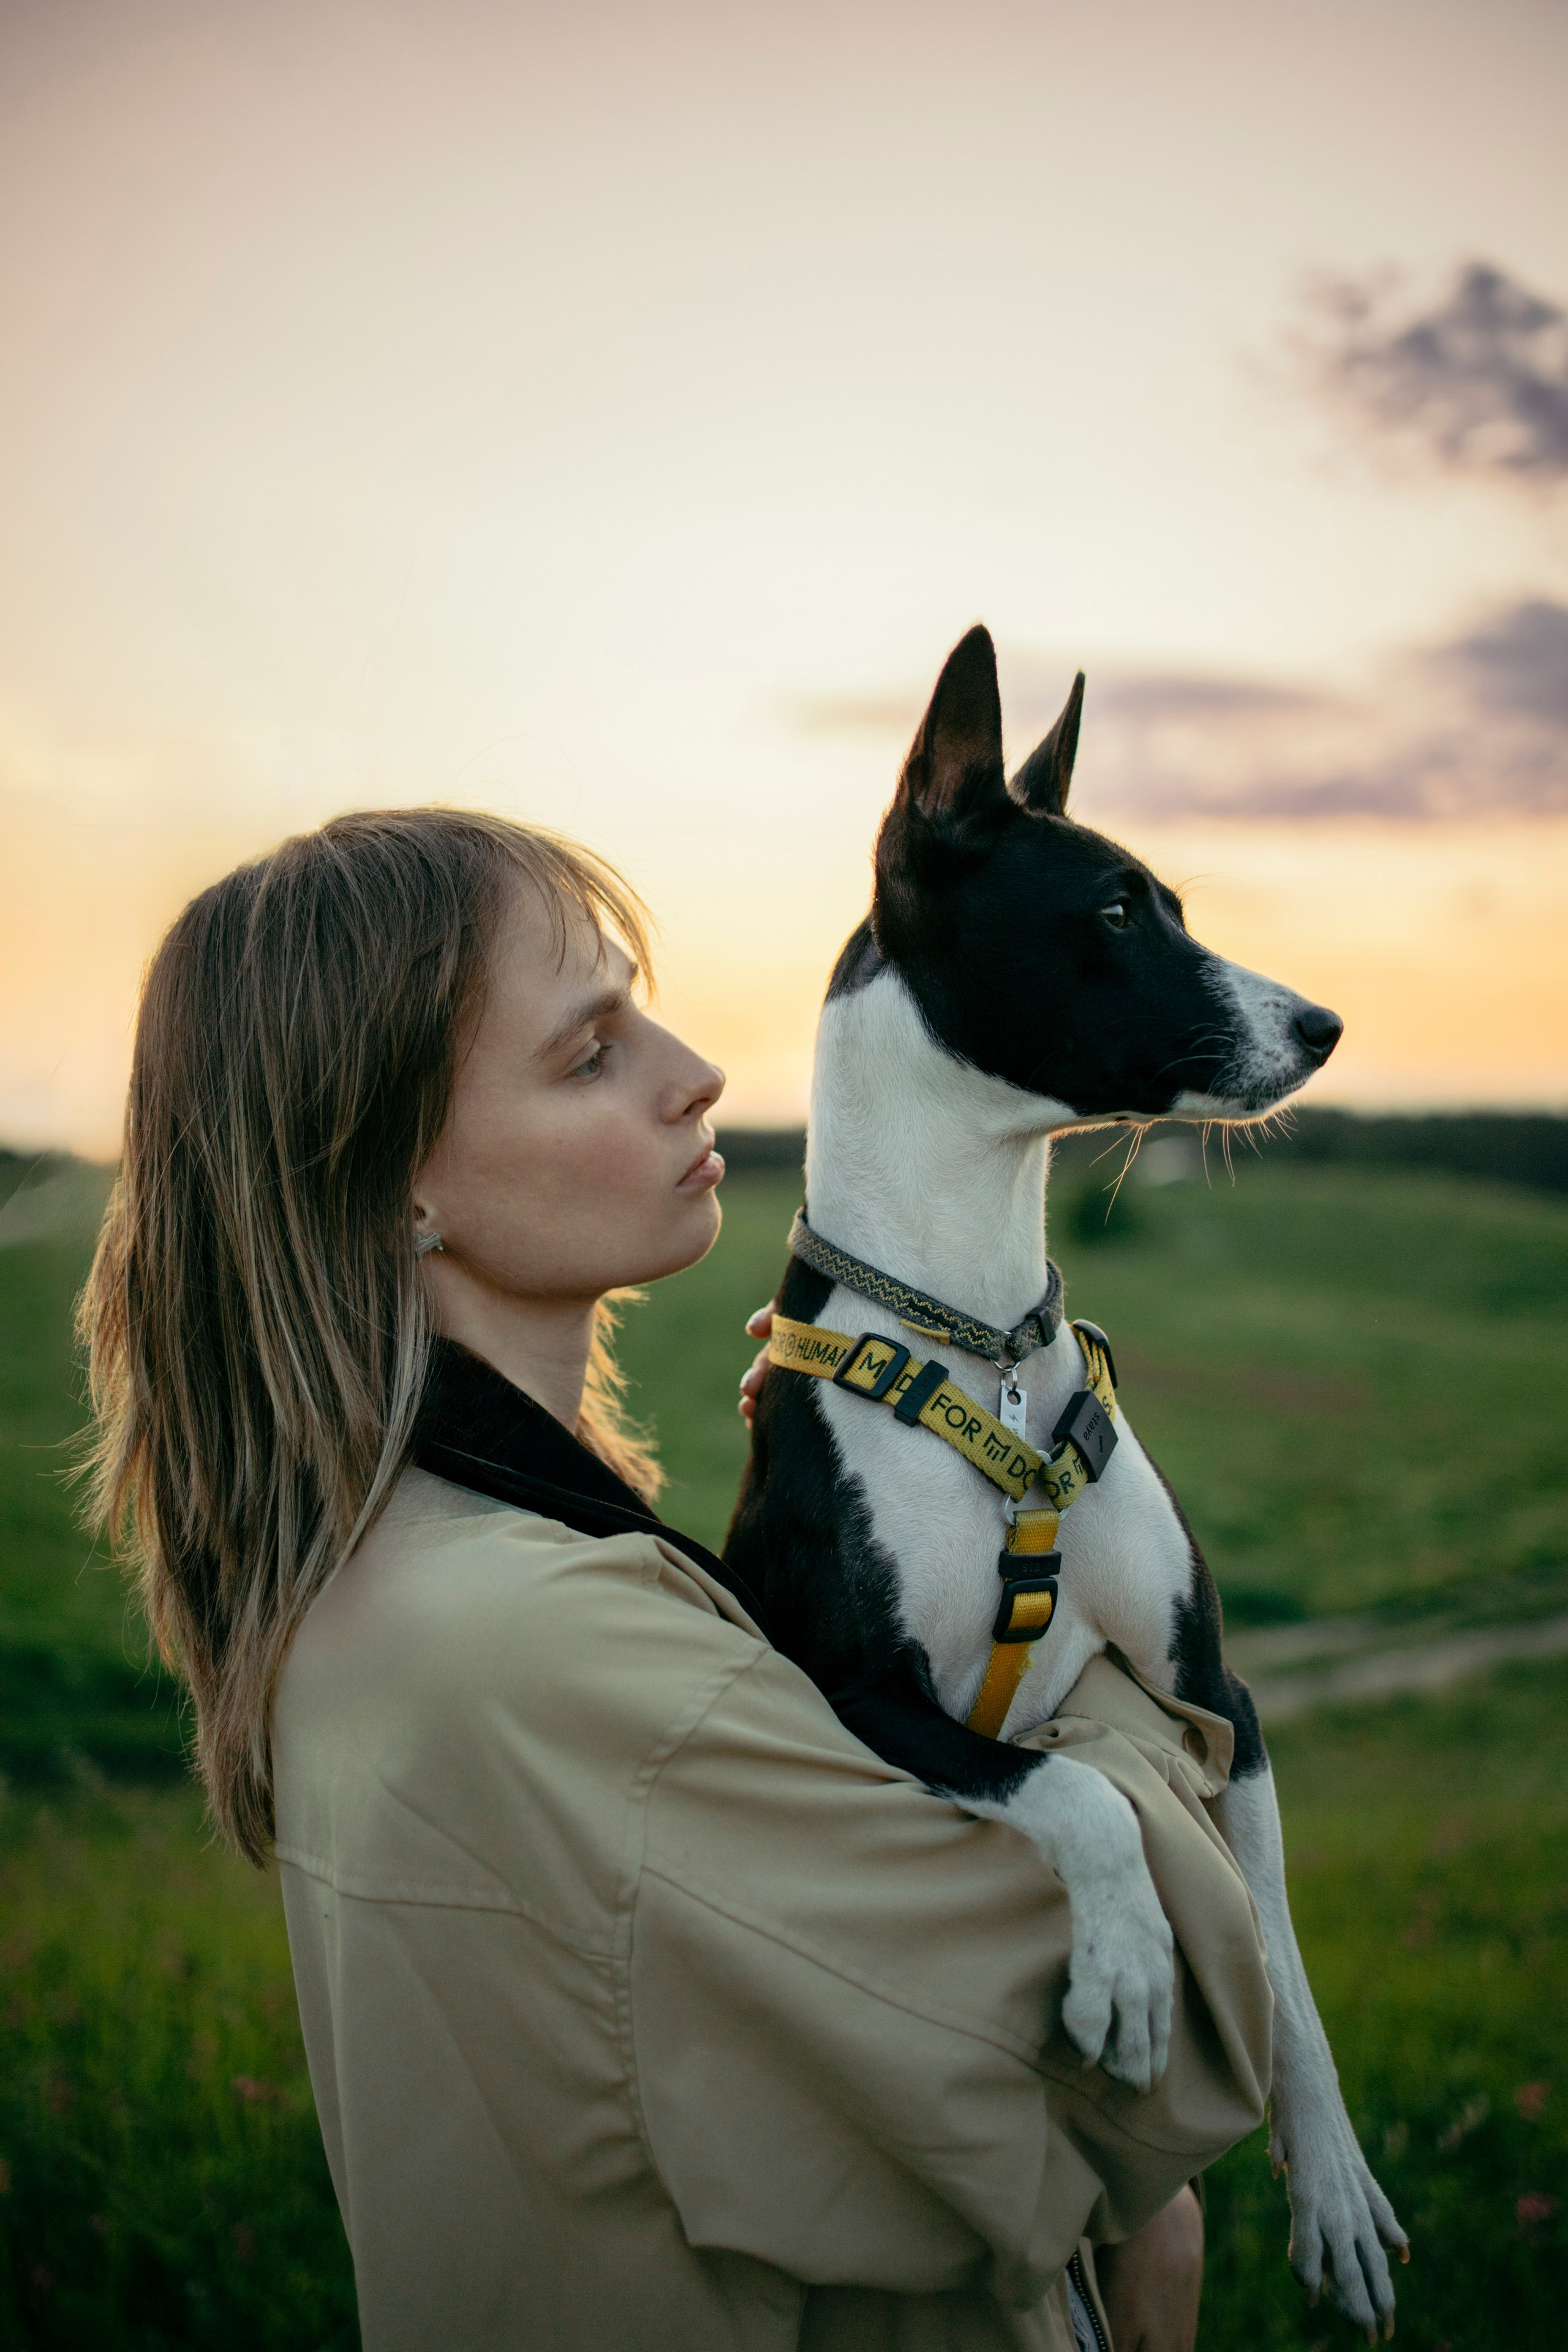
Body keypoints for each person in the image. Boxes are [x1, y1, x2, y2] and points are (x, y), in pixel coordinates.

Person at [82, 809, 1267, 2352]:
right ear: (394, 1194)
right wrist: (1109, 1675)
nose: (691, 1067)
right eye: (587, 1055)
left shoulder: (404, 1569)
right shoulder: (547, 1650)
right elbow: (1137, 2080)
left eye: (639, 1004)